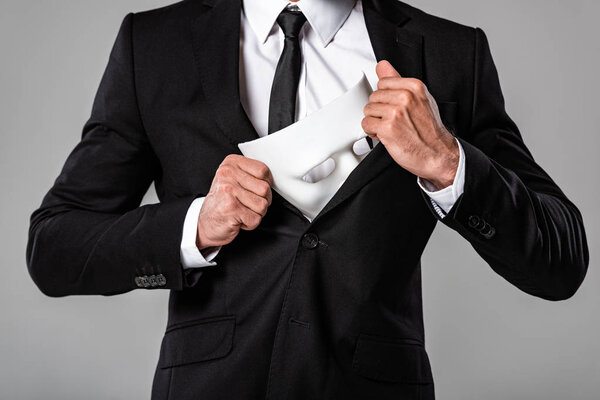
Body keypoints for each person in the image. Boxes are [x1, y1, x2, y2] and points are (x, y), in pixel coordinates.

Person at [26, 0, 589, 398]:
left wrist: (448, 164)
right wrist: (195, 226)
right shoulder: (153, 46)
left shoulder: (446, 53)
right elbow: (54, 248)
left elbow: (560, 261)